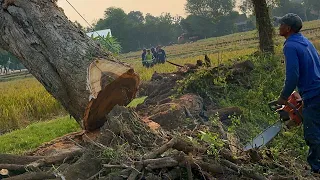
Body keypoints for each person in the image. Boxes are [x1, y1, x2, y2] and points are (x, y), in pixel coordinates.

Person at [276, 13, 320, 173]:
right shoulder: (306, 41)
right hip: (315, 90)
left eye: (281, 24)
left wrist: (282, 97)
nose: (278, 27)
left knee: (312, 132)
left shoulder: (290, 46)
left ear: (288, 28)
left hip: (314, 93)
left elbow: (292, 76)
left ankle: (316, 168)